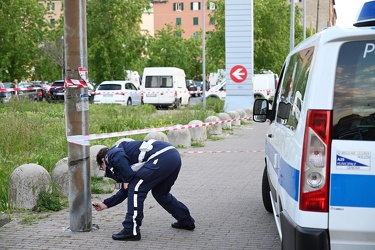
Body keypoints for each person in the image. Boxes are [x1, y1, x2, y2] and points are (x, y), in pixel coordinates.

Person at [95, 139, 195, 241]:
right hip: (173, 156)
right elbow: (125, 190)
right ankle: (186, 220)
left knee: (136, 188)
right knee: (160, 193)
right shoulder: (127, 160)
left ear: (103, 160)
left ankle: (131, 230)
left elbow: (120, 161)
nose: (106, 170)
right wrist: (106, 204)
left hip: (160, 156)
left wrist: (127, 179)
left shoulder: (110, 154)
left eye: (102, 168)